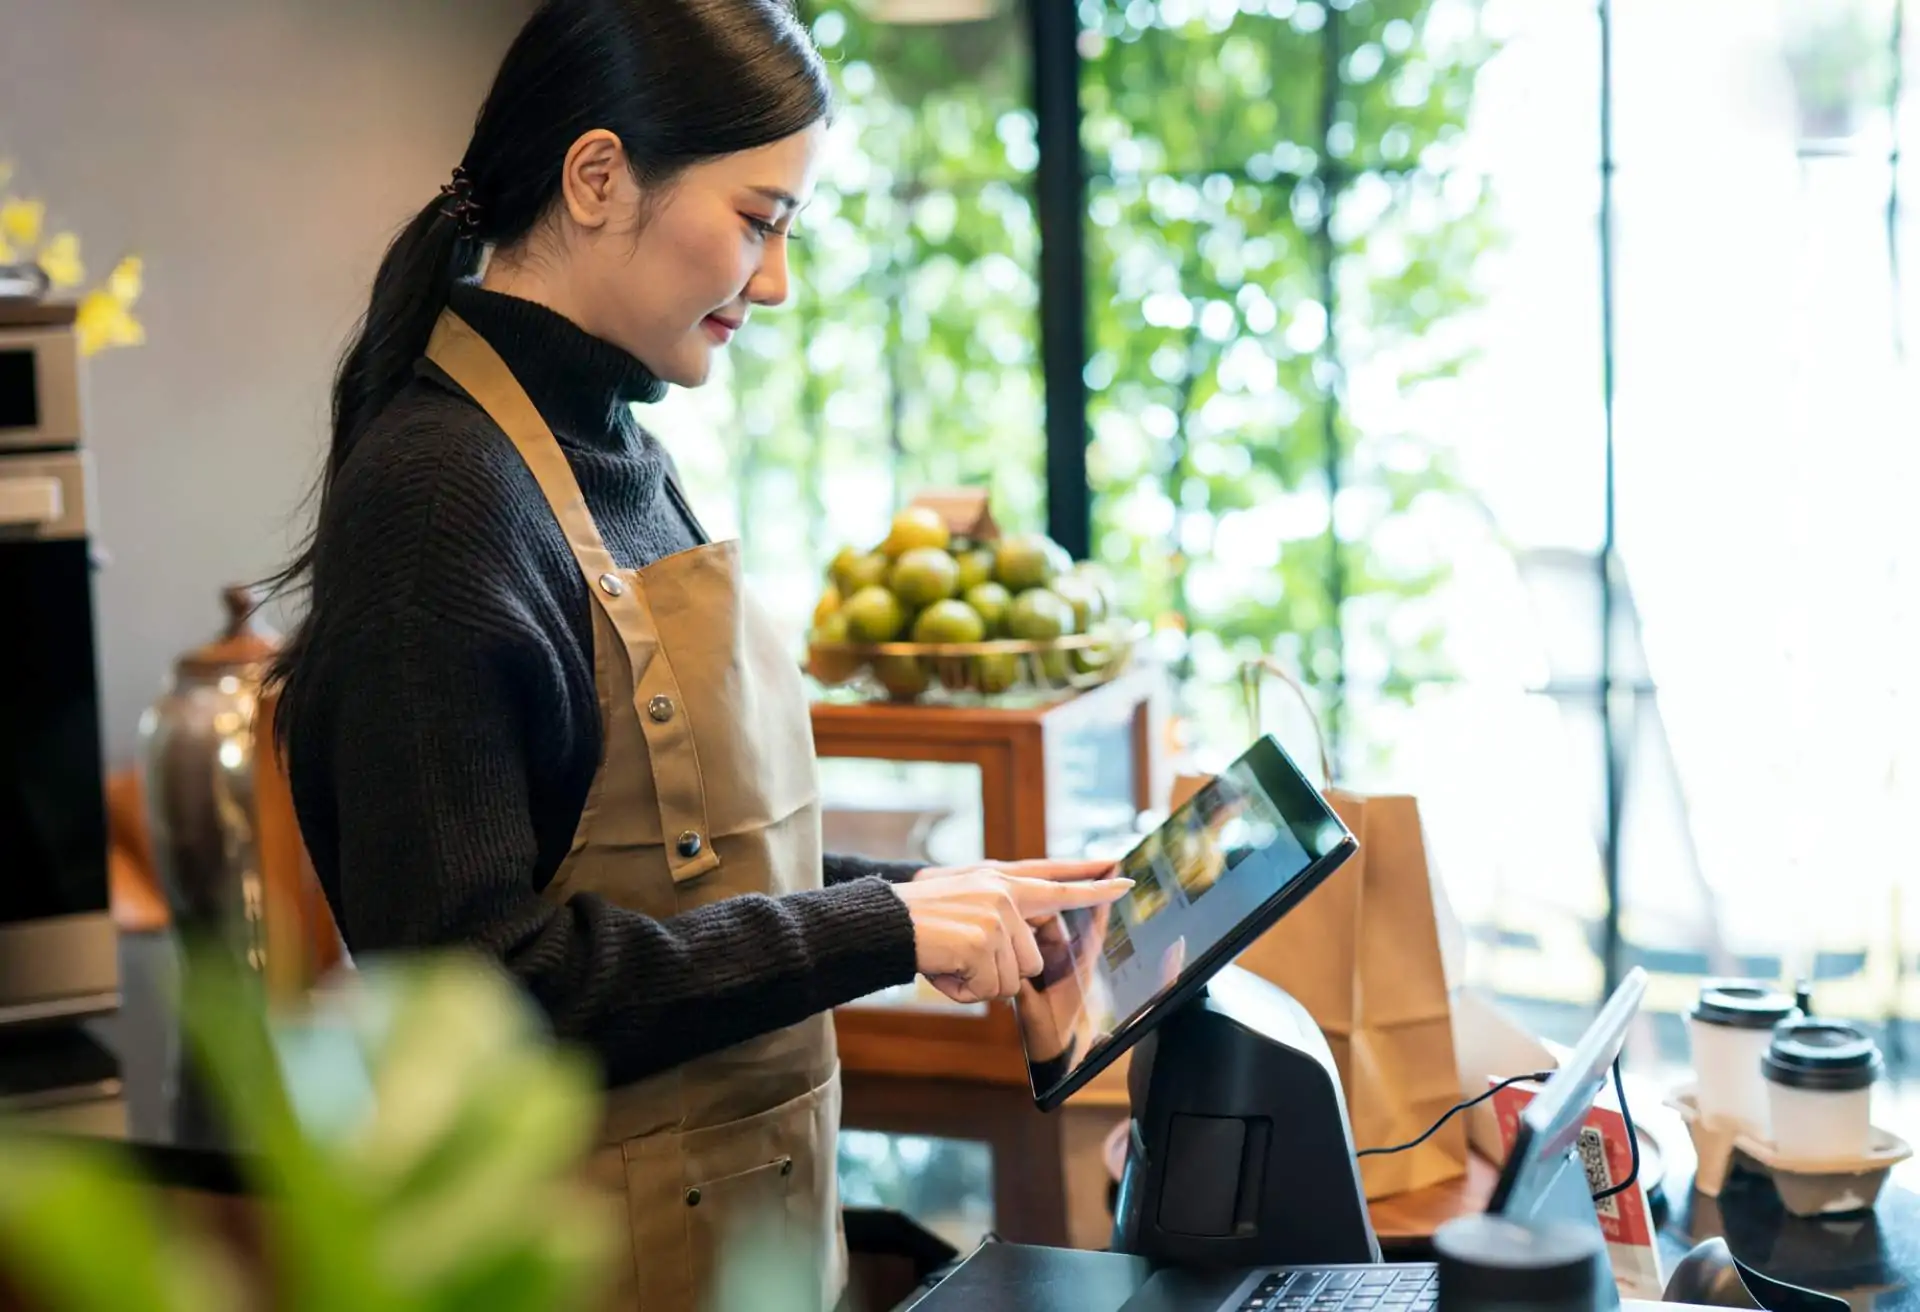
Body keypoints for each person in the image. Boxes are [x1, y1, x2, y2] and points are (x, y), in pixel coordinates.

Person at [264, 2, 1132, 1308]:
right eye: (757, 218)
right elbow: (478, 996)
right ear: (599, 177)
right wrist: (879, 926)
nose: (774, 281)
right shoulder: (441, 504)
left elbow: (690, 877)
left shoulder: (619, 448)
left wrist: (945, 900)